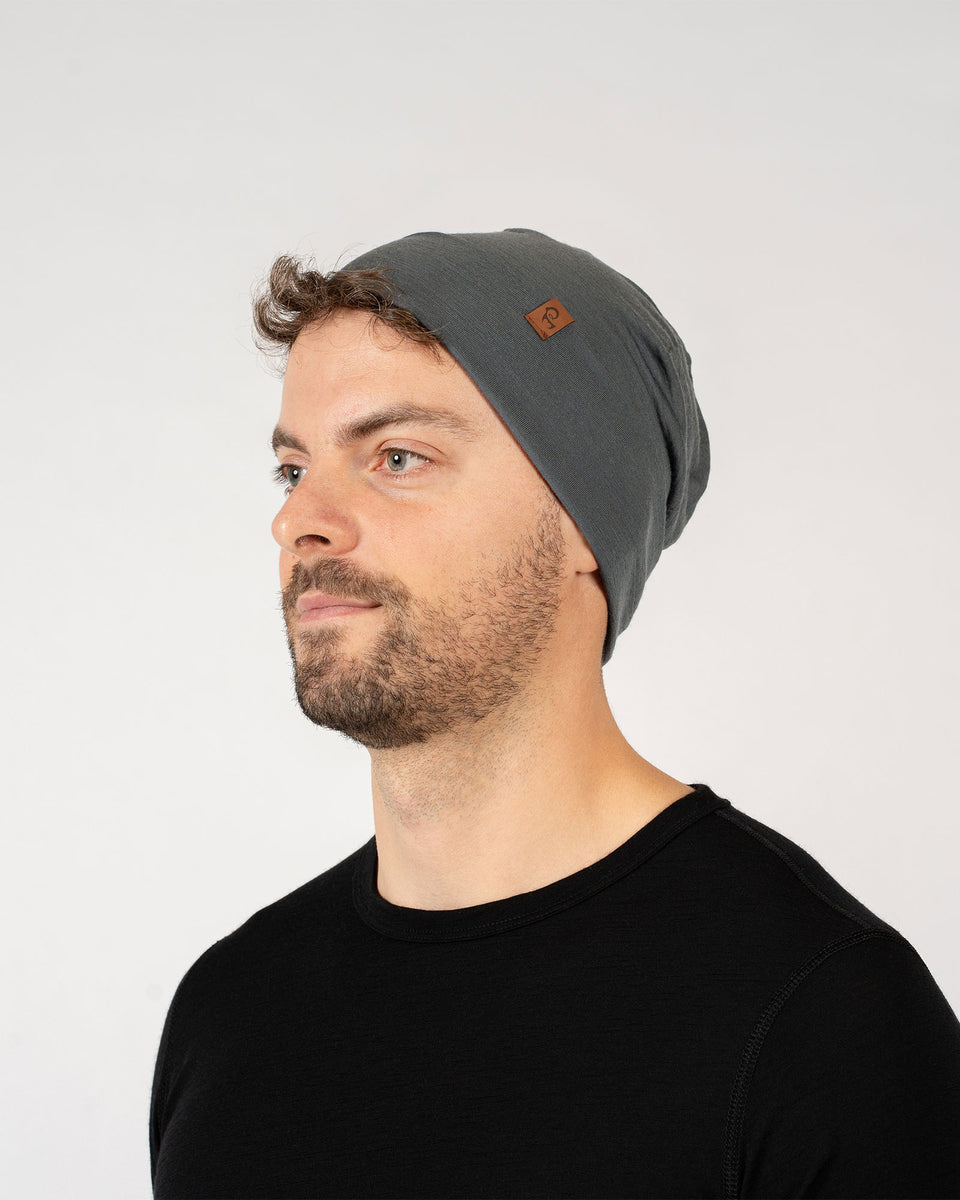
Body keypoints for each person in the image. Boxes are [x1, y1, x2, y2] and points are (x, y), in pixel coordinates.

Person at [149, 228, 960, 1199]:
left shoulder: (824, 1020)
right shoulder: (232, 1011)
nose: (299, 520)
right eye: (294, 469)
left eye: (397, 456)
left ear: (582, 516)